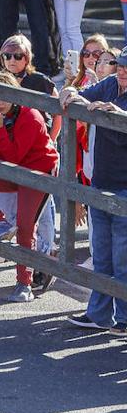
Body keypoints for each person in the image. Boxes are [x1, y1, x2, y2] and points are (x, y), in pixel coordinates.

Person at [0, 71, 59, 302]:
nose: (0, 102)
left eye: (5, 96)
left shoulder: (30, 116)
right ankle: (1, 223)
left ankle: (24, 283)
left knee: (26, 227)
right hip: (12, 172)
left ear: (15, 94)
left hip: (38, 174)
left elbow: (15, 156)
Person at [60, 47, 127, 333]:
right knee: (101, 255)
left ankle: (124, 320)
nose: (122, 71)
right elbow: (84, 94)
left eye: (125, 67)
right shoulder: (111, 83)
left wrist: (120, 114)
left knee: (123, 259)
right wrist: (70, 93)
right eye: (119, 65)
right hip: (102, 181)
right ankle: (99, 314)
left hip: (125, 188)